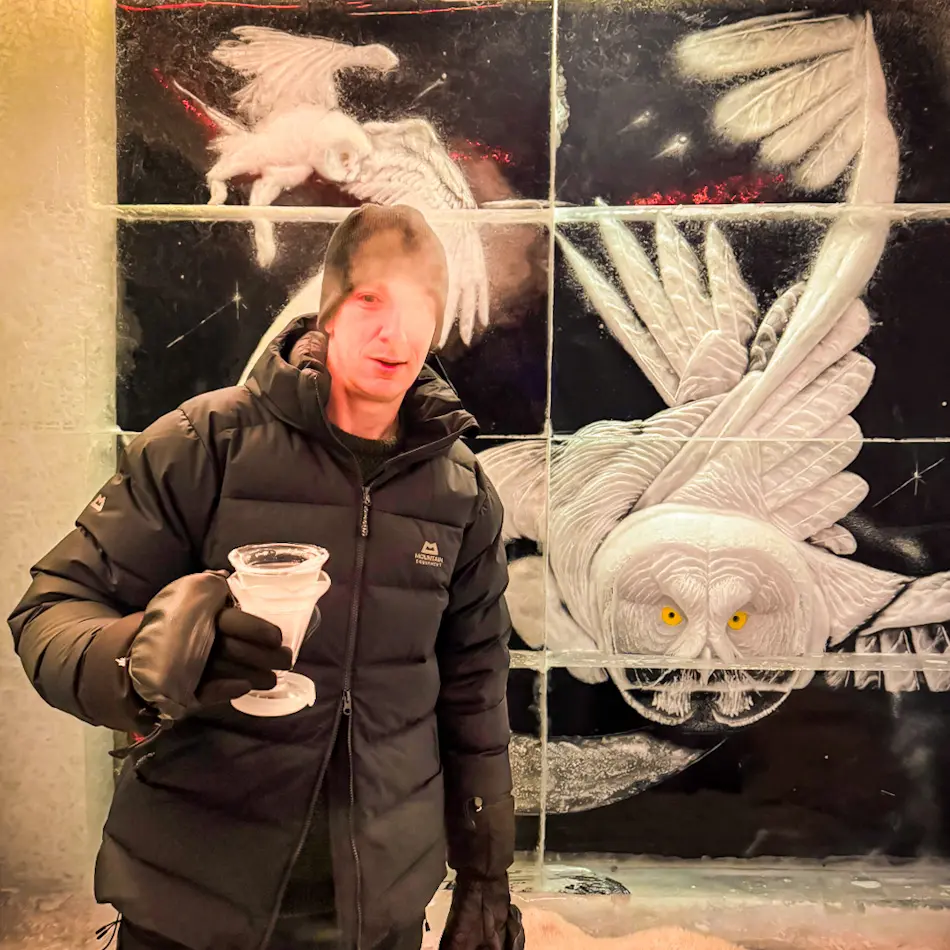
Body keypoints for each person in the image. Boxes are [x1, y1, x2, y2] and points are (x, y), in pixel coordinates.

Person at [8, 204, 525, 950]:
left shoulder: (461, 493)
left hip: (376, 906)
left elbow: (476, 694)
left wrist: (485, 875)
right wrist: (135, 658)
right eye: (372, 301)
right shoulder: (203, 444)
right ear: (330, 309)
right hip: (192, 891)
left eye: (420, 307)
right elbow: (49, 610)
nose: (397, 332)